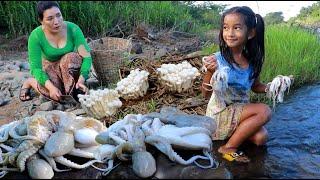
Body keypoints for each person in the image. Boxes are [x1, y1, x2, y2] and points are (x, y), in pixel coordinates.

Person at [201, 6, 271, 163]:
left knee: (261, 138)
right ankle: (227, 148)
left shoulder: (252, 62)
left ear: (251, 33)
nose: (230, 33)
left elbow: (255, 86)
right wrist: (210, 73)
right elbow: (204, 94)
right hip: (220, 114)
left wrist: (271, 87)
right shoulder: (217, 60)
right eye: (226, 28)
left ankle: (234, 136)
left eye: (236, 28)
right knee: (265, 110)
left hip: (239, 115)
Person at [19, 1, 91, 103]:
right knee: (52, 93)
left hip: (68, 67)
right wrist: (51, 88)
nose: (56, 21)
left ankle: (75, 87)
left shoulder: (73, 28)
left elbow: (86, 56)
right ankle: (30, 82)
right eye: (50, 19)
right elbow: (36, 68)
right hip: (50, 66)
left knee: (72, 57)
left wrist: (81, 79)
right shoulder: (35, 36)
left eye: (58, 15)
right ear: (41, 20)